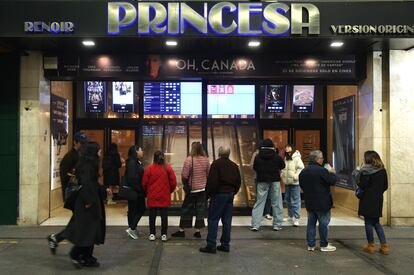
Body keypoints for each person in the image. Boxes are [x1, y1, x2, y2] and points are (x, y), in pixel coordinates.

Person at [66, 142, 112, 268]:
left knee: (92, 230)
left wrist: (103, 189)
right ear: (93, 151)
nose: (101, 152)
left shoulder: (91, 164)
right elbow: (86, 184)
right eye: (99, 150)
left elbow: (94, 183)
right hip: (88, 202)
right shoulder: (87, 165)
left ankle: (86, 256)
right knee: (88, 230)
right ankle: (77, 254)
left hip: (92, 201)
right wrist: (88, 201)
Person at [47, 131, 88, 255]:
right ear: (75, 142)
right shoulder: (70, 156)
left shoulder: (79, 155)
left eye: (84, 143)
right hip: (74, 194)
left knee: (78, 221)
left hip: (78, 194)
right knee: (79, 222)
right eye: (81, 143)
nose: (83, 145)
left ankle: (56, 239)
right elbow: (66, 176)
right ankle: (77, 250)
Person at [199, 146, 241, 254]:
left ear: (219, 153)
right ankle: (225, 245)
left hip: (219, 194)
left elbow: (212, 182)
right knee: (227, 221)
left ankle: (211, 245)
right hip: (230, 194)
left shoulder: (216, 164)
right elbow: (238, 182)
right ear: (229, 153)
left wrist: (208, 195)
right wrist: (233, 192)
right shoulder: (234, 165)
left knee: (213, 219)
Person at [299, 150, 337, 252]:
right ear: (317, 159)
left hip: (310, 202)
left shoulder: (304, 171)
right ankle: (324, 245)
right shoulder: (322, 171)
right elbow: (332, 181)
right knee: (323, 223)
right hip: (323, 202)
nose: (323, 160)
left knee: (311, 223)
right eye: (322, 158)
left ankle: (311, 244)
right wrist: (332, 172)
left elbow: (302, 185)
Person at [353, 151, 389, 255]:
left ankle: (370, 245)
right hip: (378, 199)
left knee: (368, 222)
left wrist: (357, 173)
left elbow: (362, 185)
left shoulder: (365, 171)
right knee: (376, 222)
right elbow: (385, 186)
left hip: (367, 199)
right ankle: (384, 246)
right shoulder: (382, 171)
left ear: (367, 159)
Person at [172, 142, 210, 239]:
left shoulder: (189, 160)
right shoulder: (206, 160)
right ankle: (197, 231)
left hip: (192, 190)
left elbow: (184, 175)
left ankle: (182, 230)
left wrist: (186, 183)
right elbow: (208, 174)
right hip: (202, 190)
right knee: (199, 211)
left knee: (186, 209)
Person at [251, 139, 286, 231]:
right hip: (275, 180)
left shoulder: (258, 156)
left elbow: (255, 167)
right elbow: (283, 166)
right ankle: (277, 224)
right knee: (276, 202)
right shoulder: (276, 156)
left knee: (260, 202)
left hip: (262, 181)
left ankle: (255, 224)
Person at [142, 150, 177, 242]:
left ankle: (152, 234)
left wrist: (148, 192)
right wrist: (169, 191)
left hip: (152, 196)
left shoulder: (149, 168)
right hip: (164, 196)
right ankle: (164, 235)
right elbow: (173, 182)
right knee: (164, 216)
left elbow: (144, 183)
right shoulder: (168, 168)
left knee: (152, 216)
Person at [125, 146, 146, 240]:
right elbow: (132, 178)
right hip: (135, 191)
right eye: (141, 150)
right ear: (136, 151)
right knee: (140, 209)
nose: (142, 152)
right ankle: (132, 228)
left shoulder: (135, 161)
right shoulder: (132, 162)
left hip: (136, 190)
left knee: (133, 210)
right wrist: (140, 189)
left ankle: (132, 229)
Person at [281, 144, 305, 227]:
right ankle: (290, 216)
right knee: (287, 200)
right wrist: (282, 175)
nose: (286, 148)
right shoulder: (286, 157)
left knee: (295, 200)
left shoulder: (297, 157)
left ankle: (296, 218)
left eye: (288, 147)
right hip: (287, 182)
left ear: (292, 148)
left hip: (295, 183)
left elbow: (301, 168)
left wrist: (296, 176)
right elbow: (283, 169)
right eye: (286, 147)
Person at [250, 140, 272, 220]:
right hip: (259, 177)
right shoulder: (256, 154)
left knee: (268, 196)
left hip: (267, 177)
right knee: (260, 197)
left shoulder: (271, 154)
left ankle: (267, 212)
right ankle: (260, 214)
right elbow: (252, 165)